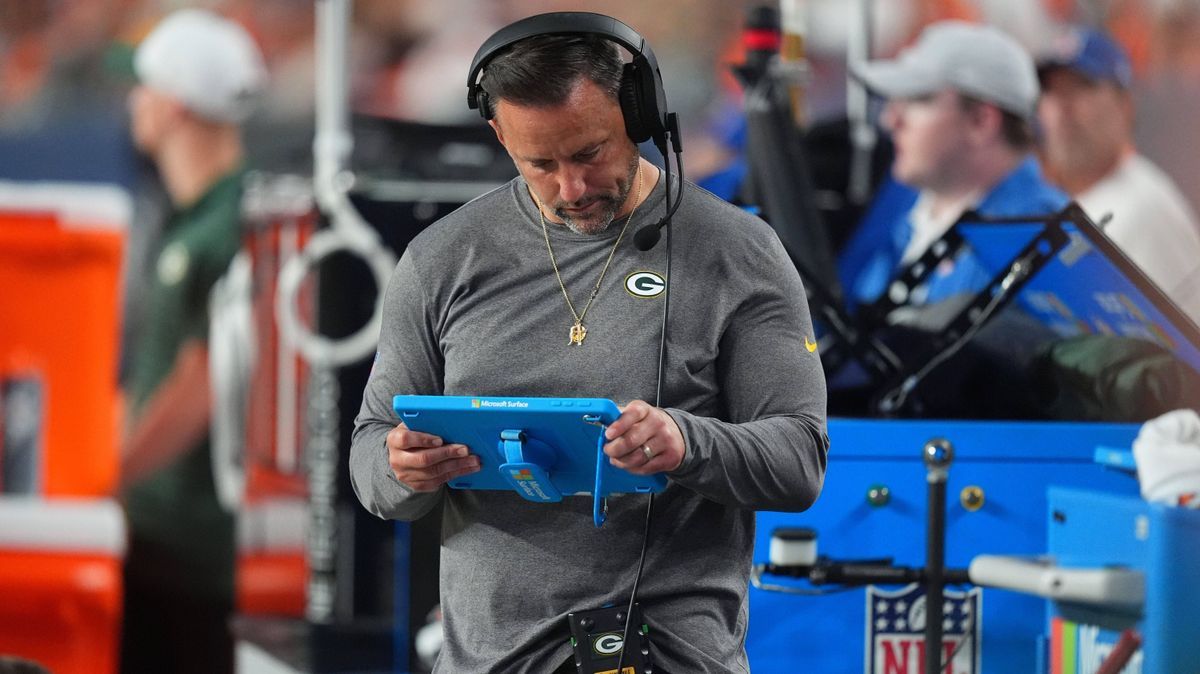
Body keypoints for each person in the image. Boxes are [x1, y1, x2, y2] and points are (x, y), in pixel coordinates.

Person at [349, 13, 828, 673]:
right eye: (539, 164)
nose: (570, 189)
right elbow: (370, 454)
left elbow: (799, 459)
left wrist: (686, 444)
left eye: (589, 153)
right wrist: (401, 468)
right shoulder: (442, 260)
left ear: (639, 116)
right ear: (499, 134)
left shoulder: (737, 253)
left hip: (670, 657)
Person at [118, 9, 266, 674]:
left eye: (141, 86)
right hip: (163, 536)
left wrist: (104, 477)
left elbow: (202, 384)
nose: (132, 102)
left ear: (173, 105)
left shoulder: (231, 223)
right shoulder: (199, 218)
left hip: (193, 551)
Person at [837, 20, 1068, 313]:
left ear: (980, 122)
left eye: (917, 99)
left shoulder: (1040, 243)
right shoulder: (904, 197)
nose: (890, 120)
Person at [1037, 27, 1200, 324]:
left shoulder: (1144, 208)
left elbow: (1183, 357)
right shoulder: (1061, 201)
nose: (1062, 107)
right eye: (1050, 91)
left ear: (1125, 105)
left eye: (1081, 87)